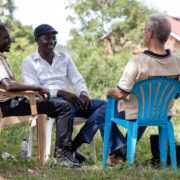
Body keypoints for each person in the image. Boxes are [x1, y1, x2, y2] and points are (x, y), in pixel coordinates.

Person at [22, 24, 128, 163]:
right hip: (49, 103)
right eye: (47, 38)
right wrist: (60, 92)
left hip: (68, 100)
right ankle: (67, 151)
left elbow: (77, 79)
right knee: (68, 106)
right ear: (37, 40)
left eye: (54, 38)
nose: (52, 42)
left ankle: (76, 146)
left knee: (105, 106)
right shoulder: (29, 62)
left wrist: (83, 93)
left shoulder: (64, 58)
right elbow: (35, 90)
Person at [0, 25, 81, 167]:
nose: (10, 40)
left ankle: (66, 152)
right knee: (65, 107)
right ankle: (62, 155)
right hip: (10, 106)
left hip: (14, 102)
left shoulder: (2, 58)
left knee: (64, 106)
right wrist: (36, 87)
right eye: (6, 37)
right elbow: (8, 86)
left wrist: (31, 90)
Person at [106, 14, 180, 163]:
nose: (143, 33)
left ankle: (120, 150)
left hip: (137, 114)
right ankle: (121, 154)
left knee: (100, 113)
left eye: (143, 30)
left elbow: (120, 94)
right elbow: (177, 93)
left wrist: (110, 92)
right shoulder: (177, 61)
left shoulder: (137, 61)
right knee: (143, 109)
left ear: (150, 33)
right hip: (164, 114)